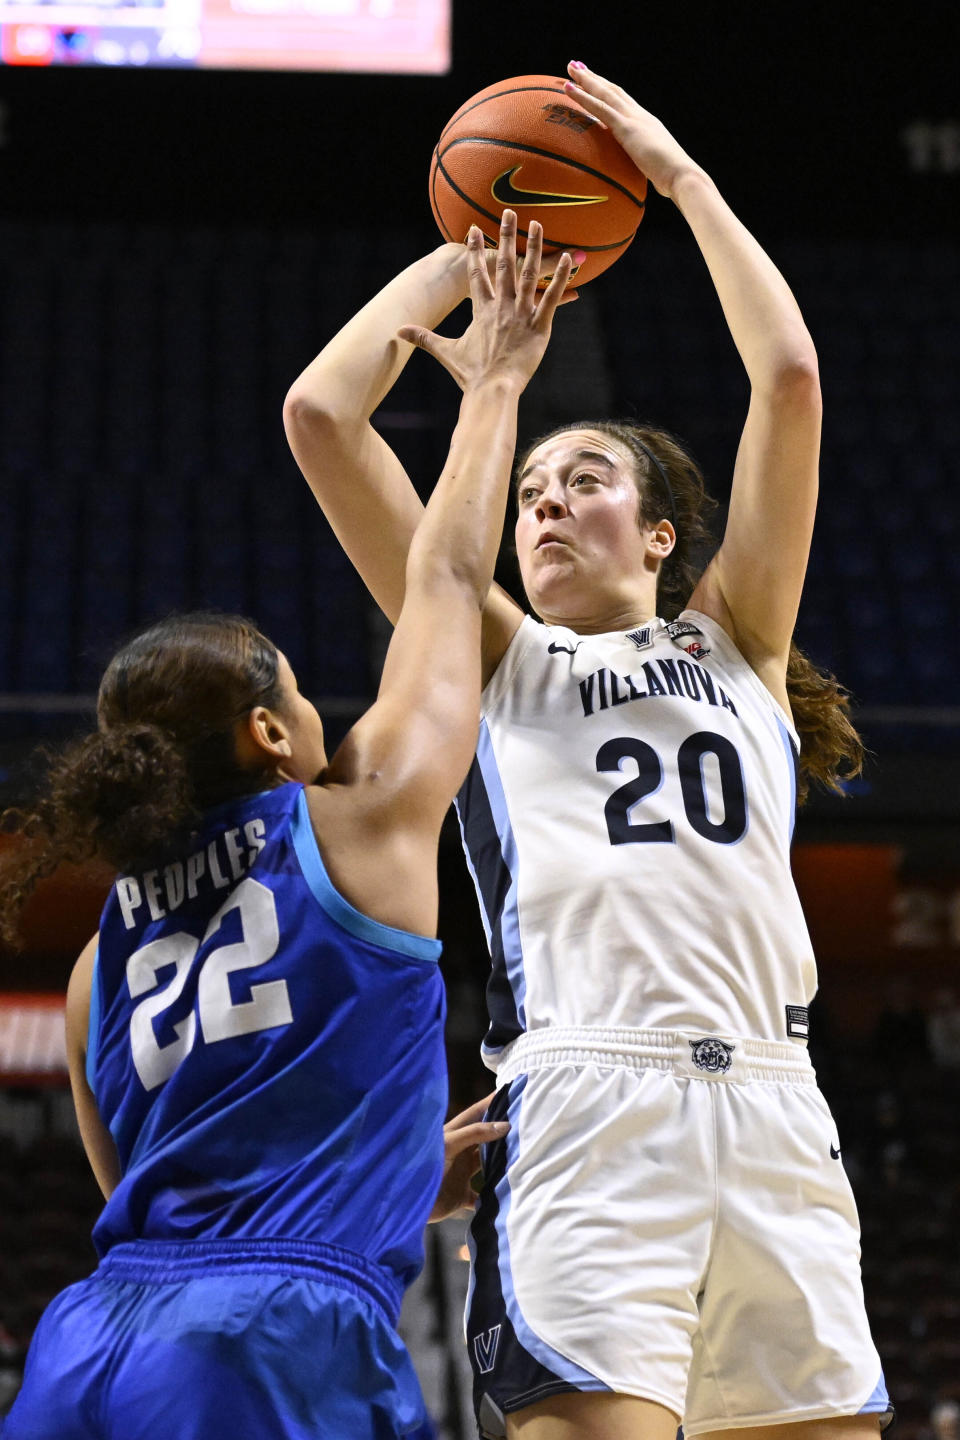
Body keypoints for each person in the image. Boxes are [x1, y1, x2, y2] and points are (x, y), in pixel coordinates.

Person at [283, 62, 892, 1440]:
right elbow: (323, 418)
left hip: (780, 1111)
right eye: (533, 494)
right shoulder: (495, 658)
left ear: (662, 532)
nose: (546, 509)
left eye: (587, 484)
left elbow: (788, 375)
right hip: (584, 1105)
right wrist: (482, 248)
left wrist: (678, 181)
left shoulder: (736, 639)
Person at [0, 217, 571, 1440]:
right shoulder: (356, 827)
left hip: (89, 1349)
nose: (325, 708)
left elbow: (164, 1204)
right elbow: (448, 584)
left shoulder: (101, 960)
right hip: (267, 1348)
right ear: (268, 735)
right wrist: (501, 379)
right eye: (304, 690)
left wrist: (398, 1175)